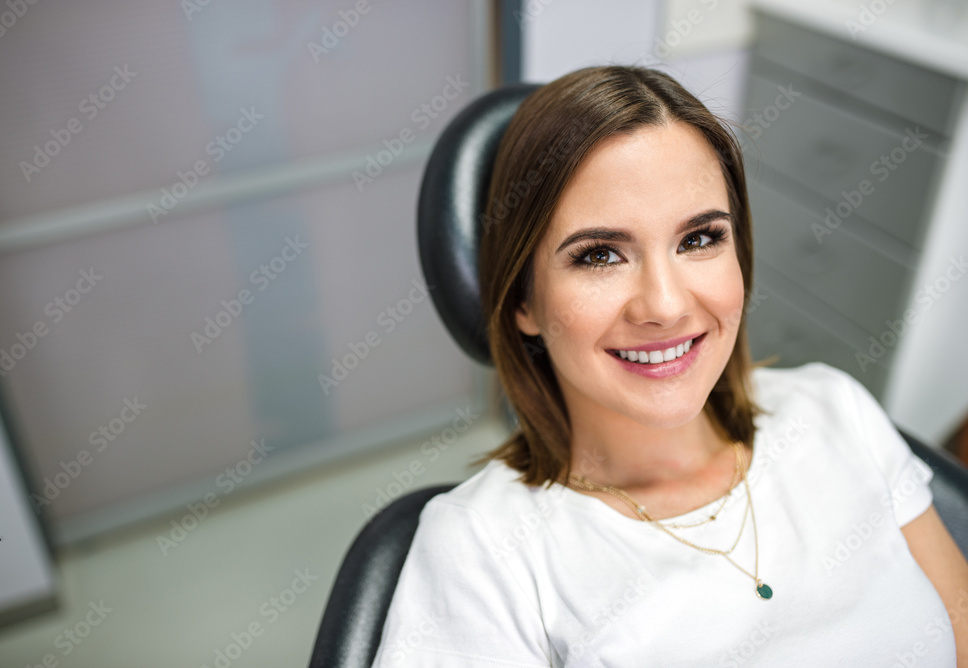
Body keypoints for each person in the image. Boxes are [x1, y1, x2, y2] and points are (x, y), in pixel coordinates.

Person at [370, 66, 968, 666]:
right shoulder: (480, 550)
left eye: (699, 239)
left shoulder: (837, 412)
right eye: (600, 254)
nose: (665, 304)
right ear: (523, 300)